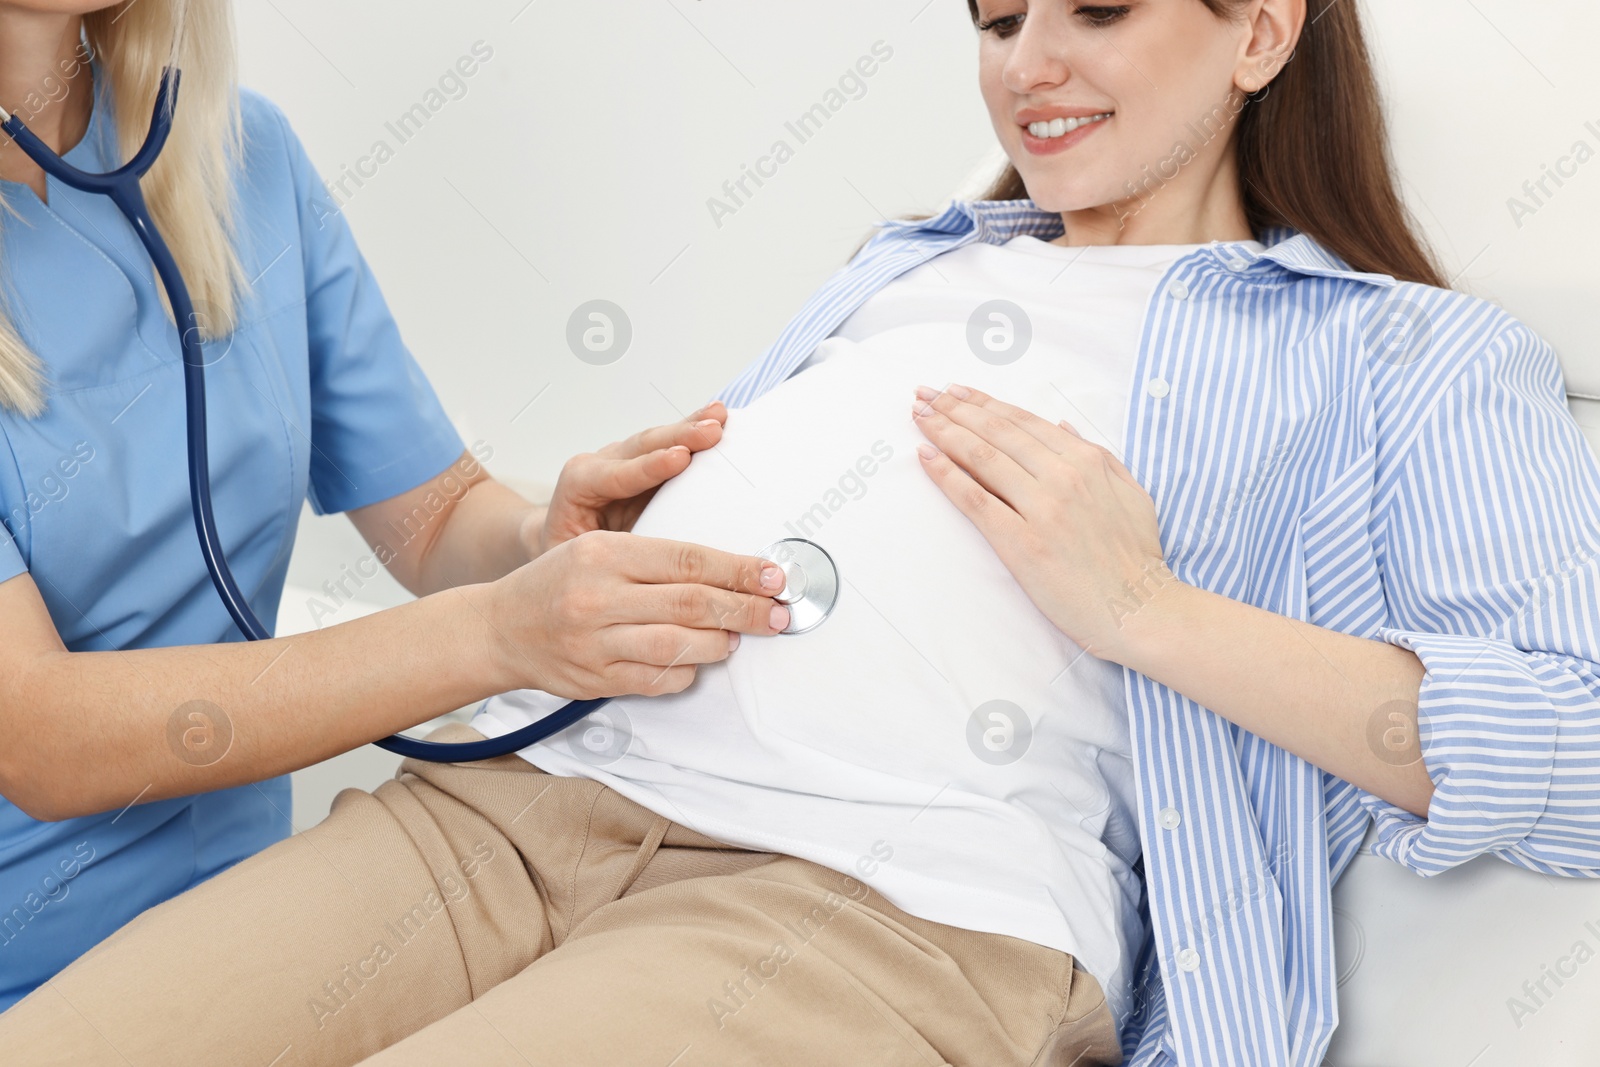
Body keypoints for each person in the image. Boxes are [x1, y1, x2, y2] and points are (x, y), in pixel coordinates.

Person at [6, 1, 1600, 1065]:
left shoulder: (1408, 352)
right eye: (995, 16)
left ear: (1260, 28)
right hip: (528, 803)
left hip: (876, 896)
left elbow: (1578, 751)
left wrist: (1149, 610)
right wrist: (571, 553)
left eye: (1098, 8)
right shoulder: (903, 264)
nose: (1029, 59)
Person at [0, 0, 791, 1012]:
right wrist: (495, 633)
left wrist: (537, 542)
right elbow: (36, 736)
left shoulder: (239, 157)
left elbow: (437, 514)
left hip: (264, 917)